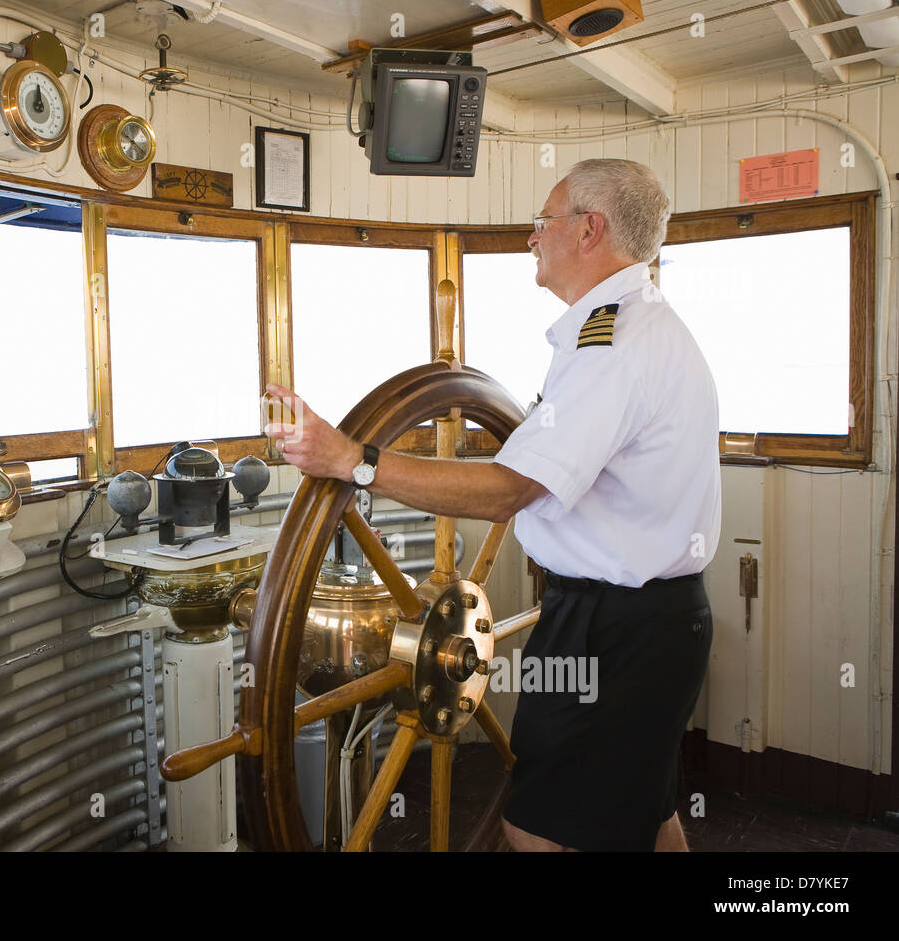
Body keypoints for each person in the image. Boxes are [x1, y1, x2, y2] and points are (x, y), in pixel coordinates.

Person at [265, 158, 720, 852]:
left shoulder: (615, 343)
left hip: (616, 631)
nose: (532, 238)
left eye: (544, 222)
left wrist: (351, 461)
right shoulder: (634, 328)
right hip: (645, 621)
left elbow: (514, 486)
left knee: (539, 828)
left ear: (589, 229)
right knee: (646, 815)